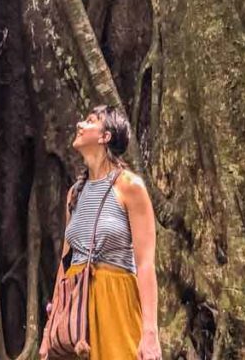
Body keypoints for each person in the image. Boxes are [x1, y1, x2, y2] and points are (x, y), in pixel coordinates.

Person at [40, 104, 162, 360]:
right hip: (77, 309)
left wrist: (150, 332)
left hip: (116, 299)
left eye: (90, 121)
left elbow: (145, 263)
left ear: (105, 136)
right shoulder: (75, 193)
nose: (80, 125)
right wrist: (50, 327)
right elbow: (65, 262)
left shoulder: (130, 186)